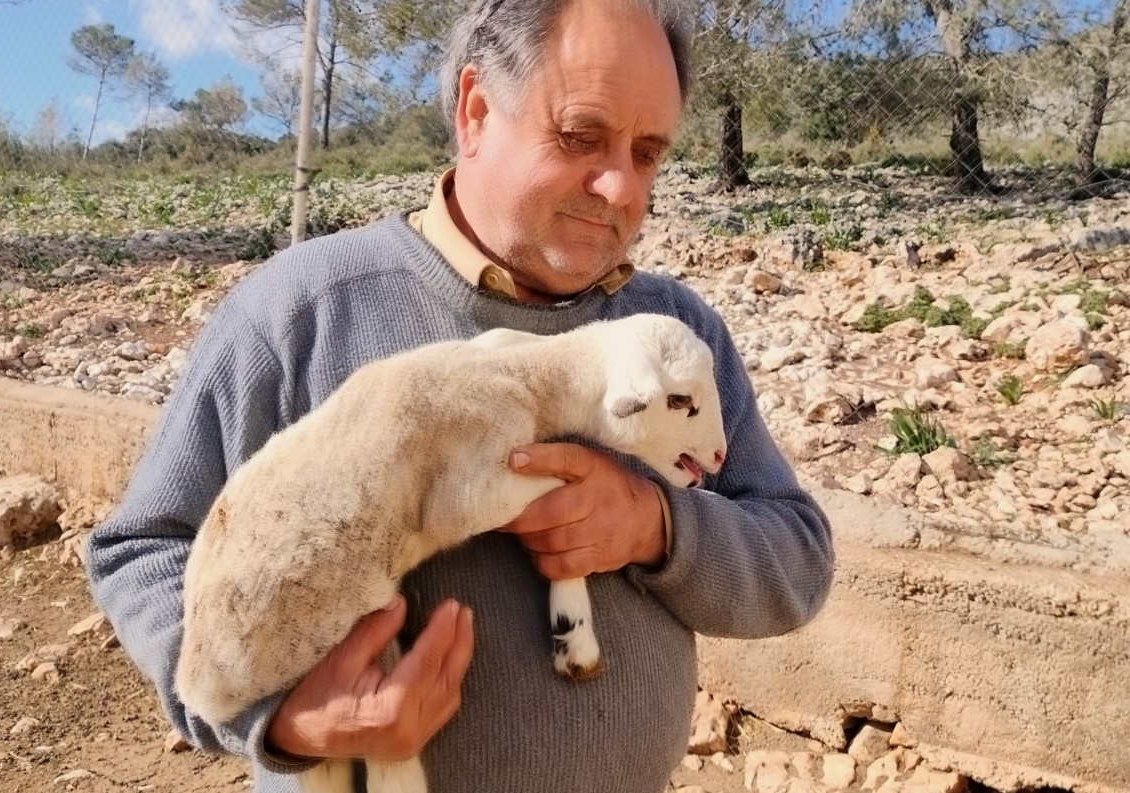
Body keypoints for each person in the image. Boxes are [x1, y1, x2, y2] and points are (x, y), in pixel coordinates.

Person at [84, 0, 835, 790]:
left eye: (647, 153)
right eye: (581, 135)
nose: (619, 186)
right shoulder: (298, 315)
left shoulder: (676, 336)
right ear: (477, 112)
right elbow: (142, 547)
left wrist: (656, 526)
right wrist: (286, 718)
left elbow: (797, 558)